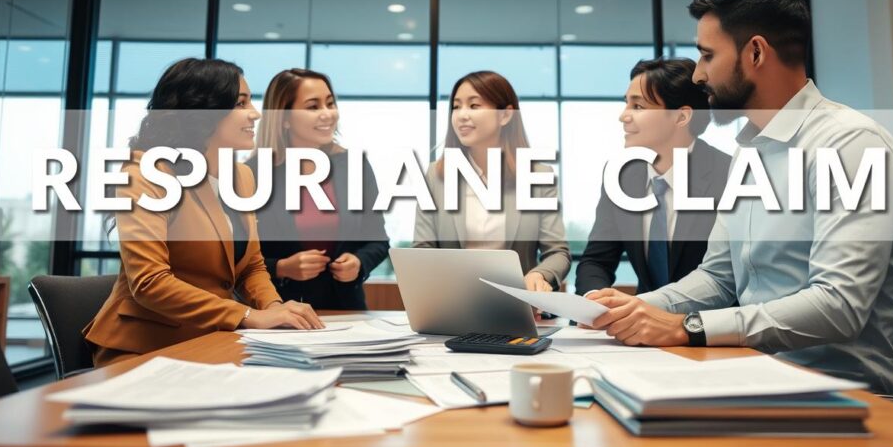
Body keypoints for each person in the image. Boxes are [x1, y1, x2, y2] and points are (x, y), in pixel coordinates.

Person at [587, 0, 893, 395]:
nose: (699, 75)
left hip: (838, 392)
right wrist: (634, 307)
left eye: (707, 56)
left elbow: (839, 306)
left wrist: (688, 327)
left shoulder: (850, 145)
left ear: (755, 52)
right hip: (753, 371)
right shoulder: (750, 153)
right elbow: (718, 277)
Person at [84, 58, 324, 367]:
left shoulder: (242, 177)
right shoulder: (145, 172)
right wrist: (249, 316)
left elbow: (251, 266)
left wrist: (277, 309)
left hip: (212, 341)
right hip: (143, 348)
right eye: (241, 103)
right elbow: (150, 282)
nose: (255, 113)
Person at [575, 58, 731, 296]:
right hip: (641, 328)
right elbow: (596, 261)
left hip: (709, 327)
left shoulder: (730, 175)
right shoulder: (621, 176)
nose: (623, 116)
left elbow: (734, 277)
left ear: (681, 117)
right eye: (626, 104)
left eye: (638, 107)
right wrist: (595, 303)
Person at [413, 70, 570, 292]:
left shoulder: (538, 176)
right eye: (456, 106)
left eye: (474, 106)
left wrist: (539, 274)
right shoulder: (434, 176)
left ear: (505, 116)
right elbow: (422, 249)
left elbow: (557, 253)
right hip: (453, 304)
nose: (461, 115)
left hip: (519, 305)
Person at [247, 68, 388, 310]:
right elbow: (237, 258)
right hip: (278, 311)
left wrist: (358, 263)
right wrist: (281, 267)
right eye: (313, 107)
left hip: (346, 310)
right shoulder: (252, 174)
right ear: (284, 117)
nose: (327, 114)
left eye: (330, 104)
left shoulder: (355, 166)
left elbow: (378, 240)